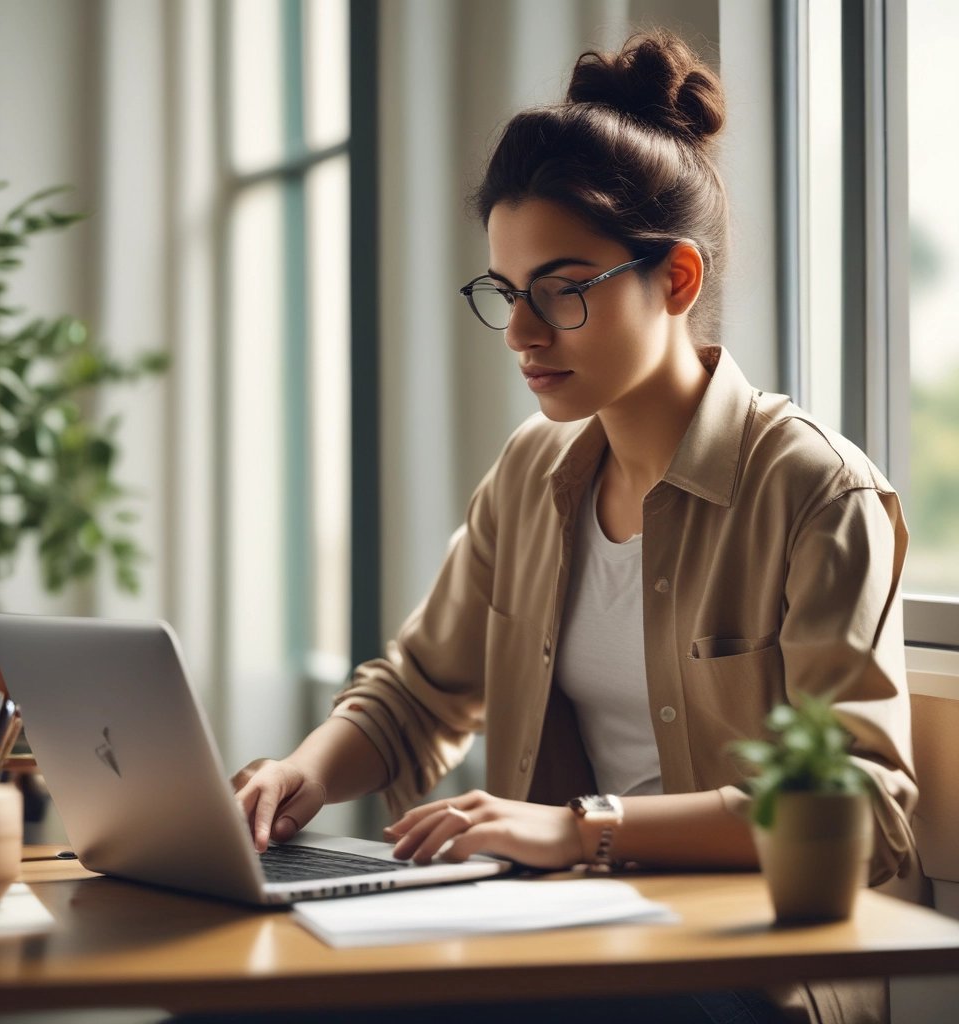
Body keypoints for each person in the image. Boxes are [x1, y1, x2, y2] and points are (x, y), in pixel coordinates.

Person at [233, 30, 916, 1024]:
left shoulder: (812, 492)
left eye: (561, 289)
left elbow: (861, 806)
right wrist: (302, 770)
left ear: (675, 281)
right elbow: (416, 693)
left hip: (748, 969)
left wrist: (579, 829)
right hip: (560, 937)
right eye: (508, 292)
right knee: (240, 1004)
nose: (520, 331)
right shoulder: (532, 472)